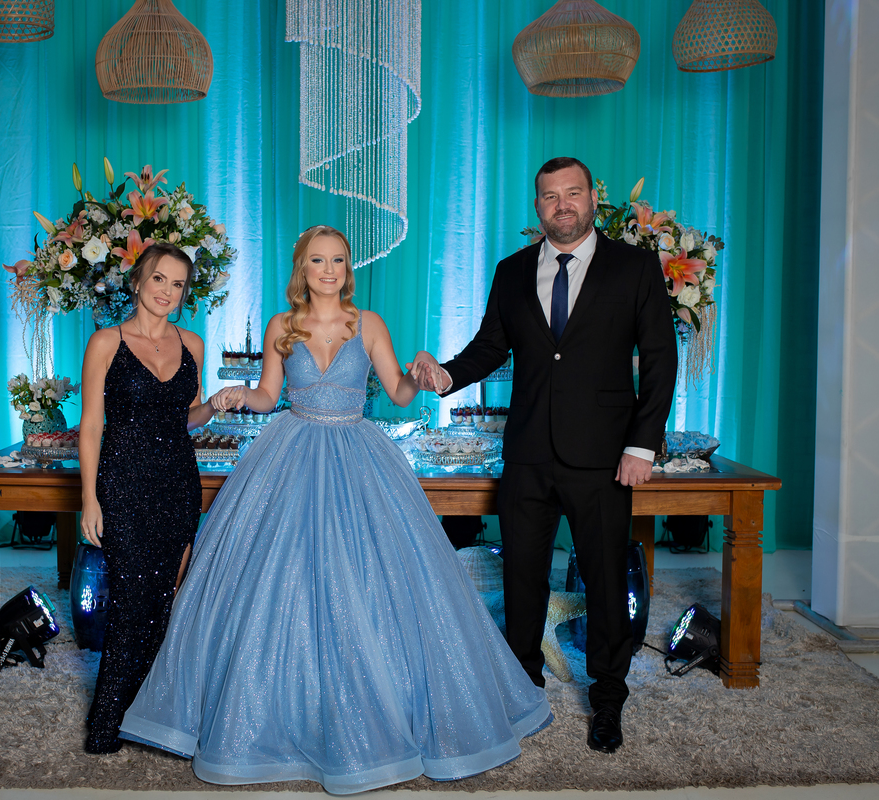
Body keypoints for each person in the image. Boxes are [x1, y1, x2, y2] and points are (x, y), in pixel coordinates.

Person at [118, 225, 552, 793]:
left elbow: (397, 392)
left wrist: (421, 373)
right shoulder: (281, 326)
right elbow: (268, 397)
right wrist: (239, 394)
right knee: (278, 579)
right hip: (291, 451)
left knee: (372, 577)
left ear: (349, 268)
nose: (329, 270)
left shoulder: (368, 324)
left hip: (357, 452)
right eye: (318, 261)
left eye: (338, 261)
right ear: (303, 268)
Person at [409, 157, 677, 754]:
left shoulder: (634, 267)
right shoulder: (511, 271)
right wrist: (445, 375)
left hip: (605, 455)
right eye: (550, 196)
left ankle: (608, 698)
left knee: (604, 579)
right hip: (528, 452)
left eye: (572, 193)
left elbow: (661, 359)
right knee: (522, 578)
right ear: (538, 206)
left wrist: (641, 445)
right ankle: (521, 688)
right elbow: (490, 347)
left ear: (591, 199)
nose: (563, 205)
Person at [78, 242, 241, 754]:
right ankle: (106, 722)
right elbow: (90, 428)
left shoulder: (192, 343)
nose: (167, 291)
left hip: (177, 483)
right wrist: (89, 499)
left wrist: (212, 405)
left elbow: (185, 417)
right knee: (131, 602)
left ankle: (148, 718)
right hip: (123, 483)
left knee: (165, 602)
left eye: (177, 284)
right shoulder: (106, 342)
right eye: (158, 279)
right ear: (137, 282)